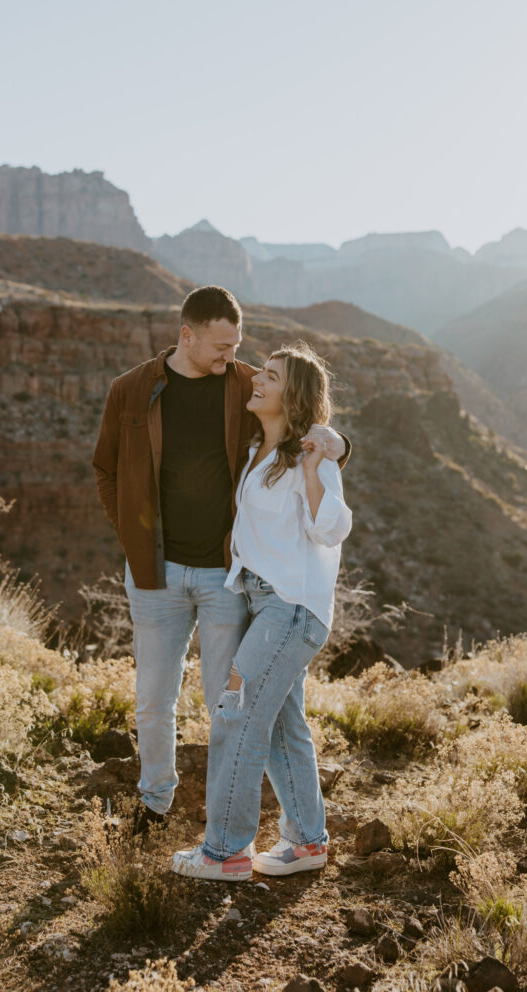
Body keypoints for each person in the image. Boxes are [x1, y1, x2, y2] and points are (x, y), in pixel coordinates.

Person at [92, 287, 350, 834]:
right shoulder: (131, 390)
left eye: (237, 344)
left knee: (226, 702)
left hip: (225, 577)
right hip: (153, 573)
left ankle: (225, 819)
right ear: (186, 336)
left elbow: (306, 417)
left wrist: (340, 443)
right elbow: (105, 468)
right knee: (152, 701)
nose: (233, 356)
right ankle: (156, 803)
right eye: (221, 345)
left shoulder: (244, 385)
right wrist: (131, 536)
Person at [172, 342, 351, 880]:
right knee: (278, 726)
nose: (258, 381)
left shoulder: (307, 457)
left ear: (291, 395)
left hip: (291, 607)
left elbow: (330, 529)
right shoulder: (259, 451)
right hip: (261, 602)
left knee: (237, 715)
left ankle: (225, 851)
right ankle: (307, 842)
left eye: (270, 377)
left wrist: (323, 464)